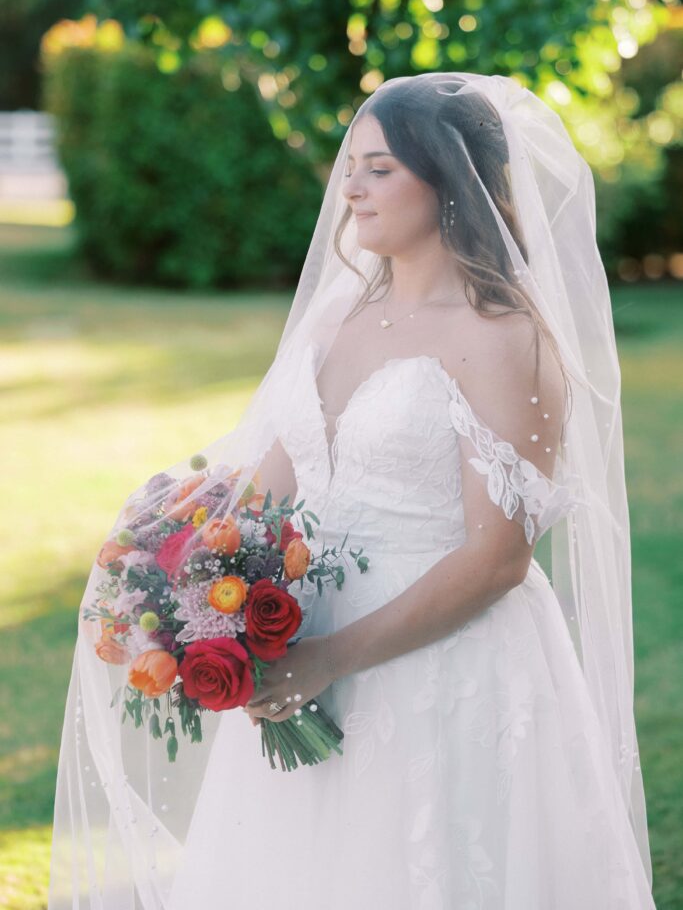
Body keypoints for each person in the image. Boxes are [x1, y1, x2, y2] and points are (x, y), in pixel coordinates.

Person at [48, 72, 655, 909]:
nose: (350, 187)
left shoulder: (505, 338)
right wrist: (179, 559)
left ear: (447, 181)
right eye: (350, 166)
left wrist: (325, 660)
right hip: (303, 637)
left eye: (379, 169)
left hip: (436, 664)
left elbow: (496, 559)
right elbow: (278, 483)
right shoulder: (338, 320)